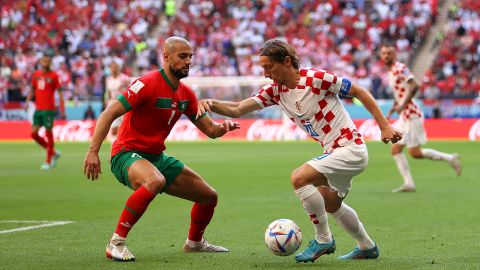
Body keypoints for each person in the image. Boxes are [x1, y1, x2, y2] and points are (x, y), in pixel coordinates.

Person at [196, 39, 403, 262]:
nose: (266, 73)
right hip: (334, 151)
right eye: (263, 68)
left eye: (269, 67)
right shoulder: (275, 91)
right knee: (331, 204)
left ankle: (323, 239)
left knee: (299, 178)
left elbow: (359, 91)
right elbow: (237, 108)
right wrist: (211, 103)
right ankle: (367, 246)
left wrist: (384, 126)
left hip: (349, 147)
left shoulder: (316, 79)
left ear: (286, 61)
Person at [83, 37, 239, 262]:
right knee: (155, 181)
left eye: (190, 57)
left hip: (156, 158)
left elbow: (210, 130)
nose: (188, 61)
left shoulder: (186, 94)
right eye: (182, 56)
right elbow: (108, 114)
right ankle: (115, 243)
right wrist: (93, 151)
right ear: (166, 56)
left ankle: (194, 243)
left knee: (208, 196)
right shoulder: (145, 84)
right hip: (126, 154)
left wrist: (223, 127)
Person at [380, 44, 462, 193]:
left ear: (395, 55)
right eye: (384, 53)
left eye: (389, 53)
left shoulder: (399, 68)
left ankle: (449, 158)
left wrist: (403, 104)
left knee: (414, 153)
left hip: (411, 115)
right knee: (396, 150)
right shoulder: (391, 71)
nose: (386, 56)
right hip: (405, 116)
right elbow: (401, 93)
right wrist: (395, 107)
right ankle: (409, 183)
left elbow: (415, 85)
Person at [25, 55, 64, 170]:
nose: (46, 62)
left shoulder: (54, 76)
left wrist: (62, 108)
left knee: (48, 134)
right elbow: (33, 89)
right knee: (33, 134)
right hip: (38, 109)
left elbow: (60, 93)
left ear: (50, 62)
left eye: (48, 60)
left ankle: (48, 161)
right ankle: (54, 152)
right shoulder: (36, 75)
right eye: (44, 60)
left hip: (49, 109)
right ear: (40, 62)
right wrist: (27, 101)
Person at [104, 61, 130, 141]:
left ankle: (126, 147)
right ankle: (116, 149)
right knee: (114, 129)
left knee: (126, 129)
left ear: (119, 68)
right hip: (113, 105)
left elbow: (129, 91)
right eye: (112, 68)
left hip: (123, 104)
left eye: (115, 67)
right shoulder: (108, 79)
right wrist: (106, 103)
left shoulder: (124, 78)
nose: (114, 69)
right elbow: (108, 93)